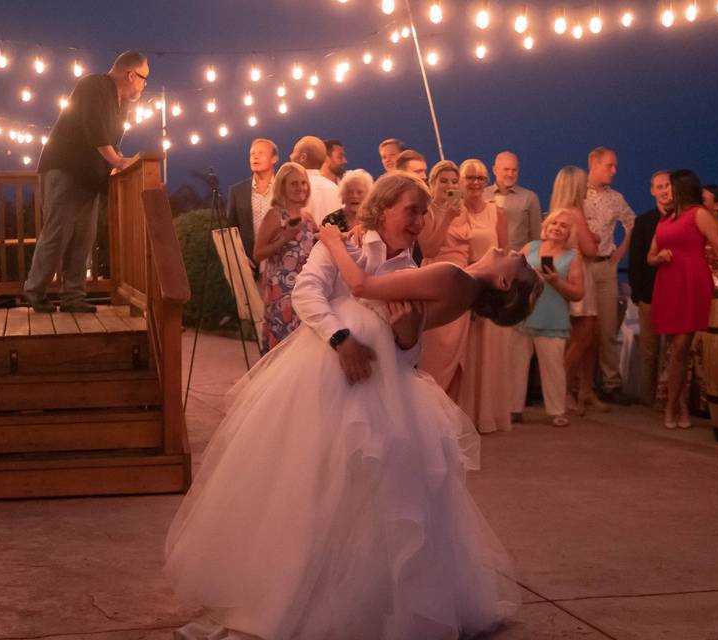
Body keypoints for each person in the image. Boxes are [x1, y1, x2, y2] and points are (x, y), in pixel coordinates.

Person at [165, 173, 541, 640]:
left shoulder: (420, 266)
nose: (421, 222)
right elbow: (307, 293)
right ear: (383, 209)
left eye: (424, 213)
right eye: (413, 210)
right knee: (312, 480)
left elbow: (400, 335)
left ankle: (362, 599)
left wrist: (404, 340)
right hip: (323, 375)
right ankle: (297, 585)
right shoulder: (350, 242)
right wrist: (341, 336)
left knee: (373, 493)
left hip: (381, 393)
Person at [23, 51, 147, 313]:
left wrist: (115, 158)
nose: (145, 85)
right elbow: (95, 129)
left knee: (83, 237)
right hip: (65, 169)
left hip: (89, 178)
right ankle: (35, 291)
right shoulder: (94, 85)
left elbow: (109, 140)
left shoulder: (121, 103)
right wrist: (117, 161)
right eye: (144, 78)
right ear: (131, 74)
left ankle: (73, 296)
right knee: (58, 233)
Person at [648, 169, 718, 429]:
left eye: (669, 187)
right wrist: (659, 257)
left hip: (691, 282)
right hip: (669, 283)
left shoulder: (699, 214)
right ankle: (679, 404)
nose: (665, 192)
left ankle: (675, 405)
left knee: (681, 346)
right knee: (677, 349)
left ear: (680, 188)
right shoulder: (665, 220)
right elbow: (649, 256)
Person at [448, 159, 512, 433]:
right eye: (470, 178)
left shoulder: (497, 212)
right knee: (463, 353)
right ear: (460, 181)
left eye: (480, 178)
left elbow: (506, 254)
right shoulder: (454, 212)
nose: (475, 183)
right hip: (461, 287)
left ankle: (486, 414)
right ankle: (461, 415)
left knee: (488, 354)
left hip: (489, 289)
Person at [510, 210, 585, 427]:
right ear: (547, 225)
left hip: (552, 318)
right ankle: (513, 408)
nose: (557, 228)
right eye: (554, 223)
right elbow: (512, 274)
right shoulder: (530, 247)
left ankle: (556, 411)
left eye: (563, 226)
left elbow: (579, 293)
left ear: (570, 232)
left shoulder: (573, 257)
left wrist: (555, 281)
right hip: (522, 315)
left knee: (553, 368)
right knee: (515, 365)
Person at [547, 166, 602, 415]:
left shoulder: (557, 211)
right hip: (580, 271)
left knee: (573, 336)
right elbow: (591, 250)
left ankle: (579, 390)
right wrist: (594, 238)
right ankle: (562, 388)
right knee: (585, 334)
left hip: (564, 270)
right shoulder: (576, 212)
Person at [583, 147, 635, 404]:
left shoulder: (616, 198)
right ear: (594, 164)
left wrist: (620, 253)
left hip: (605, 267)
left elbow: (631, 222)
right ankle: (579, 384)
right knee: (581, 327)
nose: (614, 171)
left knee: (607, 328)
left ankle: (611, 383)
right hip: (580, 266)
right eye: (609, 165)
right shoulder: (577, 193)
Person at [415, 160, 469, 396]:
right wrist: (446, 217)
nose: (449, 186)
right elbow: (428, 249)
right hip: (436, 279)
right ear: (432, 183)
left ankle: (453, 414)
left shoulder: (463, 210)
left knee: (459, 353)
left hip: (462, 283)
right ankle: (430, 406)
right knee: (435, 349)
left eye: (454, 182)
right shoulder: (425, 211)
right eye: (444, 181)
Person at [252, 162, 318, 353]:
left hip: (304, 289)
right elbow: (258, 253)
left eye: (303, 183)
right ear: (283, 187)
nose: (300, 188)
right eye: (294, 184)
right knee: (282, 346)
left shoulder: (308, 218)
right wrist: (285, 238)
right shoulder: (275, 215)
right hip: (281, 292)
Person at [627, 170, 672, 407]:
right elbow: (635, 260)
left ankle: (667, 399)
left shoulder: (683, 219)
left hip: (675, 295)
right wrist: (639, 293)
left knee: (672, 352)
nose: (664, 190)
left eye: (668, 185)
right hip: (650, 294)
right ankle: (647, 400)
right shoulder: (644, 222)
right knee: (649, 351)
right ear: (652, 191)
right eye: (659, 186)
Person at [225, 138, 279, 266]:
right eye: (252, 154)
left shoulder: (283, 188)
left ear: (274, 158)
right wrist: (240, 257)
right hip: (249, 265)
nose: (255, 157)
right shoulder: (237, 191)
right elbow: (231, 230)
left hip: (280, 262)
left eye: (261, 153)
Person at [483, 151, 543, 251]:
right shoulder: (482, 195)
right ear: (494, 170)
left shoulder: (529, 198)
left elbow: (536, 238)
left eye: (514, 170)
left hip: (519, 261)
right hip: (485, 259)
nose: (510, 174)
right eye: (506, 169)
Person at [290, 135, 341, 223]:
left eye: (294, 152)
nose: (290, 156)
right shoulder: (336, 189)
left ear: (303, 157)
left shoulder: (294, 189)